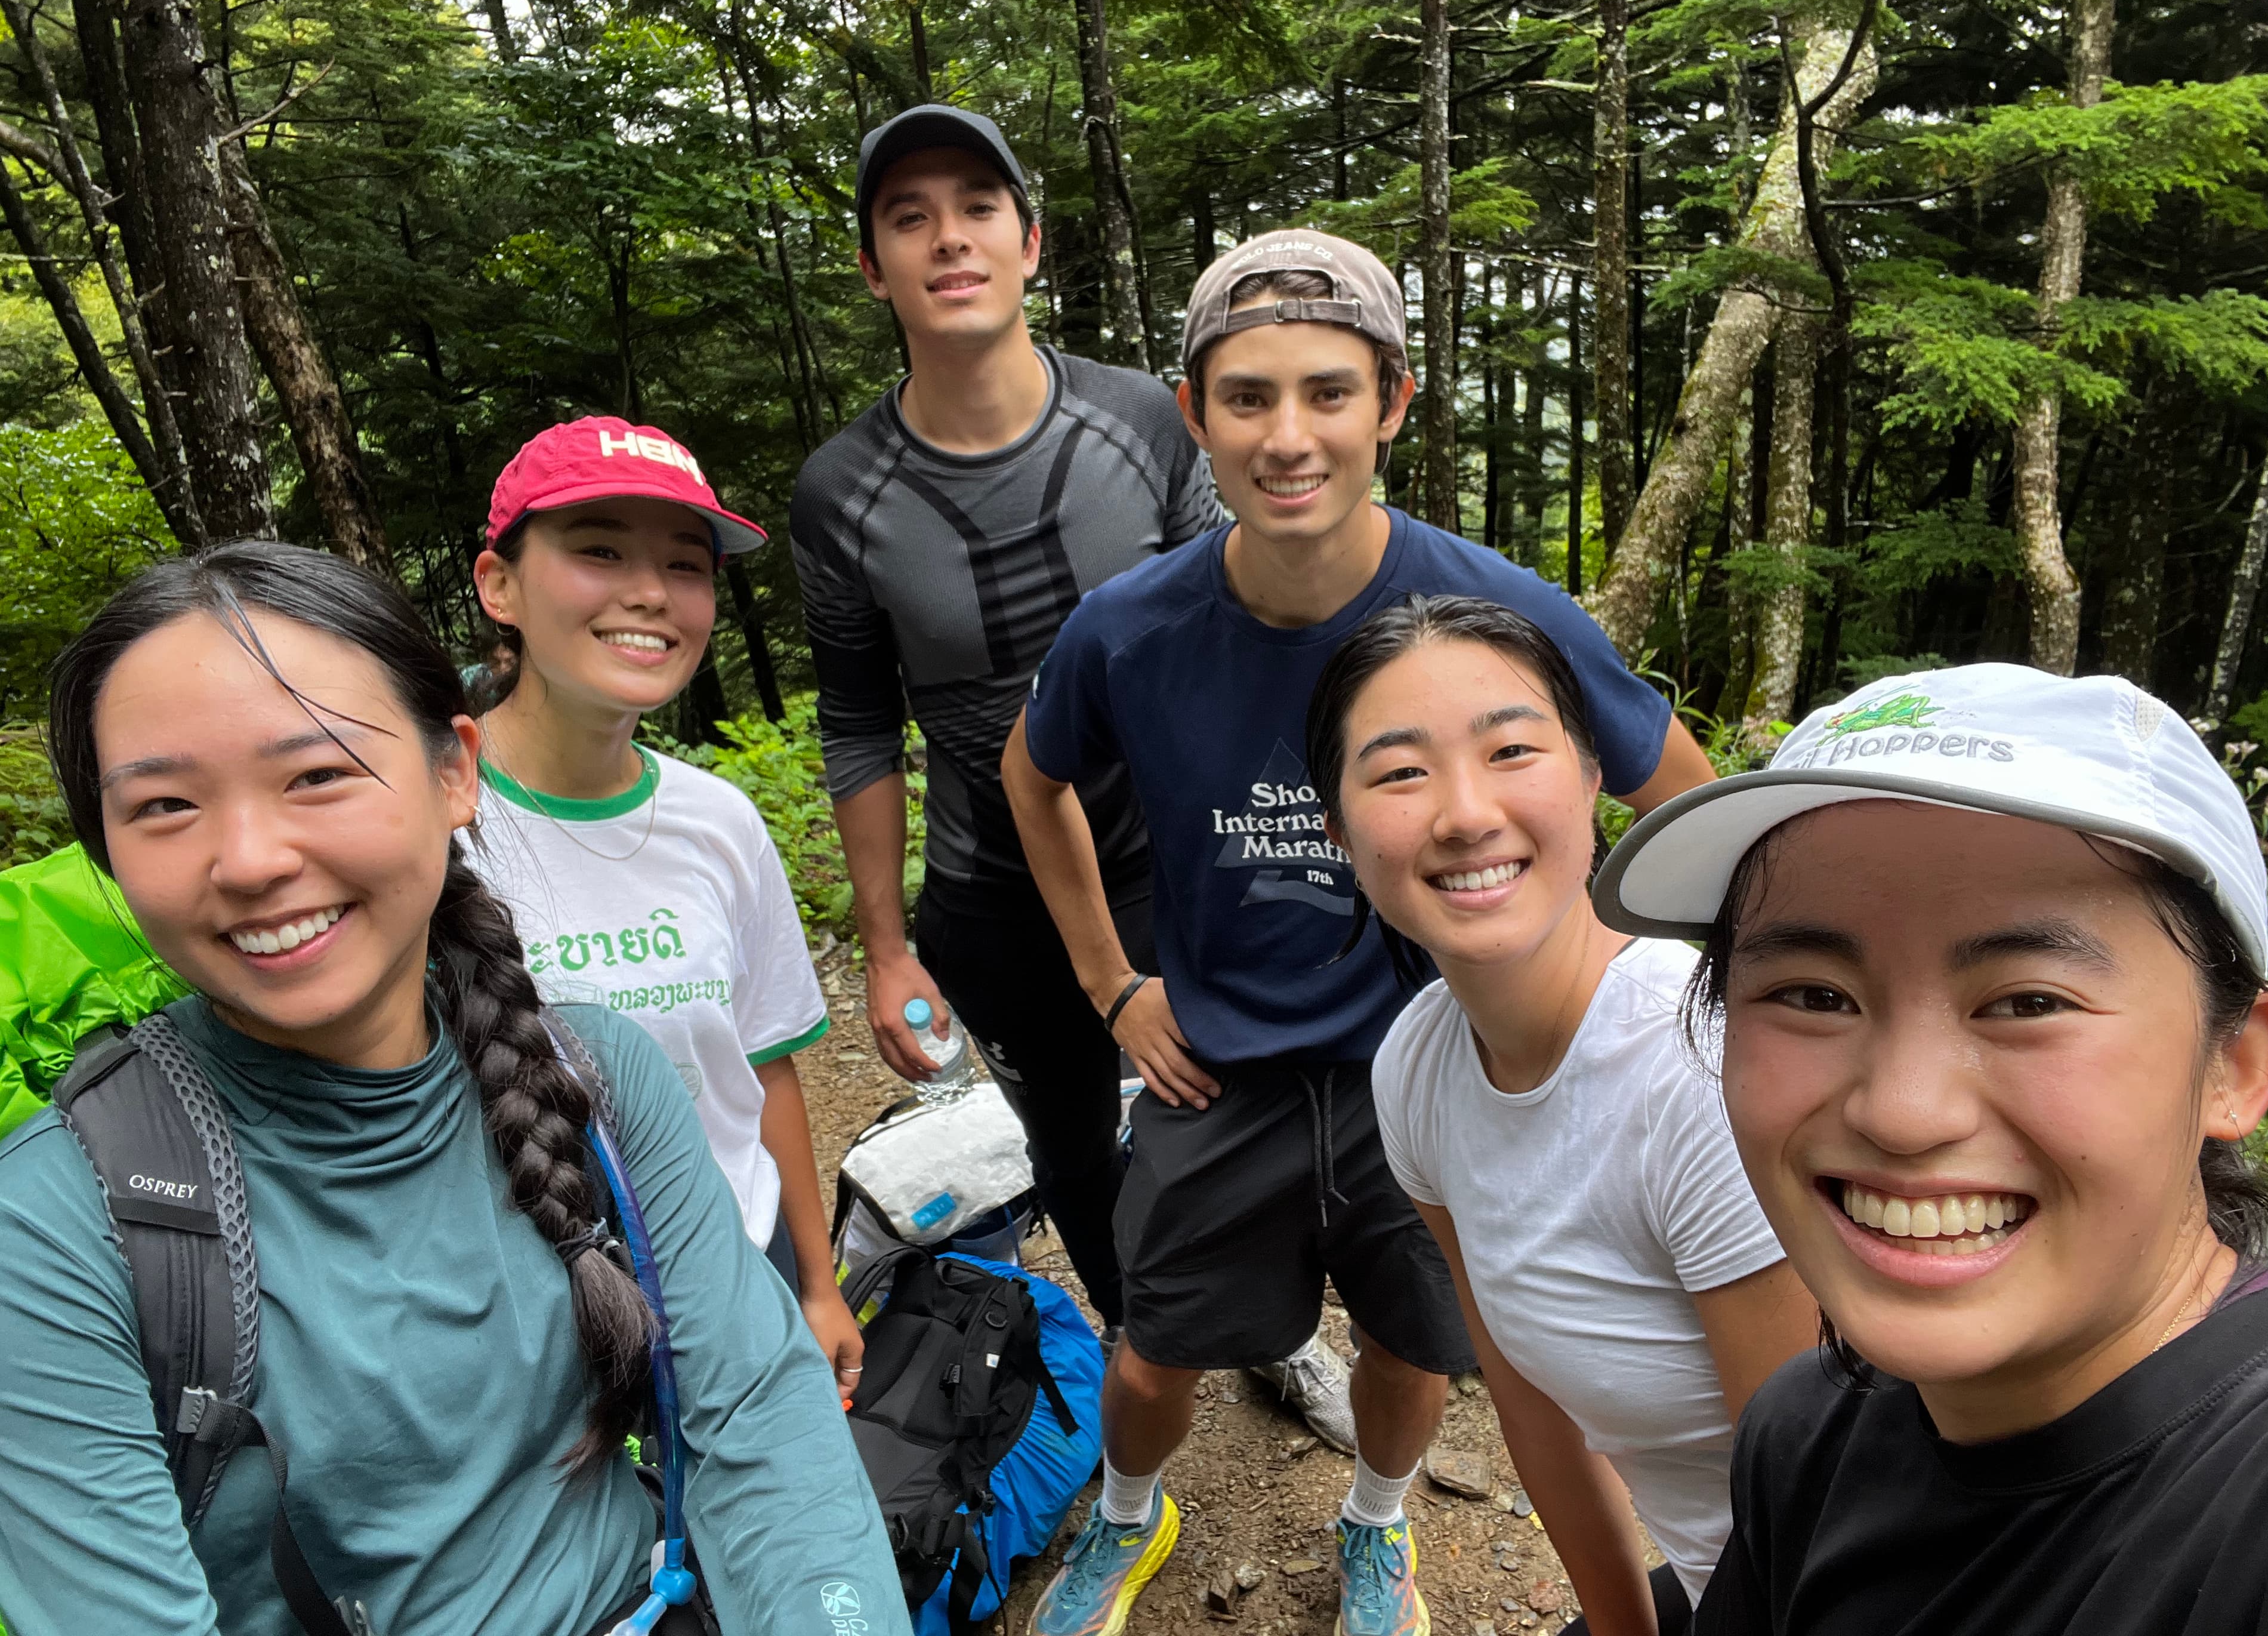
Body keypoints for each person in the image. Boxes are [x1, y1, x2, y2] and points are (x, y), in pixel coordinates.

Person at [1002, 230, 1718, 1636]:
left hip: (1445, 1073)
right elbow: (1035, 778)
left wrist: (1605, 1010)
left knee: (1417, 1341)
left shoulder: (1492, 610)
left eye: (1329, 392)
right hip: (1223, 1064)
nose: (1289, 436)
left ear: (1392, 403)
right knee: (1156, 1350)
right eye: (1248, 397)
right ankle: (1134, 1520)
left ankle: (1376, 1529)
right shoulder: (1132, 629)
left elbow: (1681, 792)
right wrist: (1110, 986)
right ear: (1194, 413)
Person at [0, 542, 902, 1636]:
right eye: (166, 808)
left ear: (453, 773)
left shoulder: (598, 1077)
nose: (246, 859)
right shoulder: (46, 1229)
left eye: (318, 773)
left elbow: (756, 1415)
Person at [792, 103, 1354, 1409]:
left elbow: (1240, 613)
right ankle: (1141, 1339)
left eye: (978, 208)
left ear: (1030, 242)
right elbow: (860, 723)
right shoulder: (842, 491)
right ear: (875, 267)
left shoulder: (1145, 425)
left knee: (1238, 1107)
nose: (949, 240)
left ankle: (1273, 1331)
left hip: (1183, 859)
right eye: (909, 217)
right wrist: (886, 945)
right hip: (992, 892)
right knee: (1075, 1147)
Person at [1590, 664, 2268, 1635]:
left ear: (2237, 1067)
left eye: (2029, 1003)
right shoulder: (1808, 1430)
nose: (1904, 1113)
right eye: (1813, 995)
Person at [1303, 593, 1816, 1635]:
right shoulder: (1416, 1068)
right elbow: (1528, 1397)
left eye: (1511, 752)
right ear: (1339, 833)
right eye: (1401, 772)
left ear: (1592, 782)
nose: (1462, 813)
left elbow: (1819, 1484)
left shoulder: (1699, 1070)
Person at [467, 415, 863, 1400]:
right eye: (599, 550)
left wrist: (815, 1286)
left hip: (738, 1269)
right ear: (498, 585)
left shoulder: (719, 821)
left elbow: (761, 1067)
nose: (651, 593)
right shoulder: (423, 824)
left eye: (687, 566)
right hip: (525, 1313)